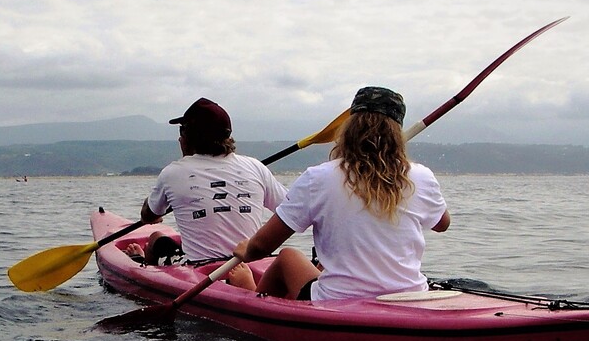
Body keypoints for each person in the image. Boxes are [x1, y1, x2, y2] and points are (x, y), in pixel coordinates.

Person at [233, 86, 451, 300]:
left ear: (349, 129)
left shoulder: (317, 178)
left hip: (336, 300)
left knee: (287, 257)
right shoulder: (421, 176)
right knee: (317, 265)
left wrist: (247, 251)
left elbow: (262, 245)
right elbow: (442, 224)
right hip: (410, 295)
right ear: (397, 135)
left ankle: (250, 292)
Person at [125, 98, 287, 286]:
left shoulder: (172, 173)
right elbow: (289, 209)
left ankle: (144, 269)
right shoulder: (255, 167)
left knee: (156, 239)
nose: (179, 138)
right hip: (251, 264)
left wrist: (155, 210)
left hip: (201, 270)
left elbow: (148, 216)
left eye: (181, 131)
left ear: (188, 137)